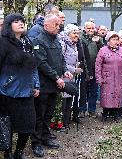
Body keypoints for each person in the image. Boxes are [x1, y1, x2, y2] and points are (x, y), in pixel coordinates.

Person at [0, 13, 40, 159]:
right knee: (8, 125)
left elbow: (33, 66)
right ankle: (8, 152)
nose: (21, 23)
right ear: (9, 25)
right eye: (16, 21)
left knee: (28, 125)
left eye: (22, 21)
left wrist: (36, 84)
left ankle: (19, 151)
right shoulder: (1, 43)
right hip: (8, 92)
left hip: (27, 91)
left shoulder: (27, 42)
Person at [31, 14, 73, 157]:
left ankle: (46, 136)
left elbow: (61, 59)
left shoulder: (55, 40)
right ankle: (36, 142)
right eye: (55, 24)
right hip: (43, 85)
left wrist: (65, 70)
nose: (58, 26)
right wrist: (56, 77)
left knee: (49, 113)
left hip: (55, 85)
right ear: (46, 25)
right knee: (40, 114)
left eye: (58, 24)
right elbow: (41, 63)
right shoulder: (38, 40)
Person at [95, 31, 122, 121]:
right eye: (113, 39)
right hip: (107, 78)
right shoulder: (103, 50)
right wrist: (99, 78)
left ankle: (116, 114)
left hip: (120, 78)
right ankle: (105, 113)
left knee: (118, 95)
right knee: (106, 96)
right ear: (108, 41)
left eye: (117, 39)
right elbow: (98, 65)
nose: (115, 41)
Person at [59, 24, 83, 129]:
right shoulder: (63, 43)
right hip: (64, 74)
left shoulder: (73, 44)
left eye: (78, 33)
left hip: (71, 75)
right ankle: (61, 123)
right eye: (74, 33)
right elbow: (61, 61)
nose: (76, 35)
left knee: (70, 97)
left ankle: (66, 121)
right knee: (64, 98)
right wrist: (74, 69)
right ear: (68, 34)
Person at [79, 21, 103, 117]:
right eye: (88, 28)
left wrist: (98, 43)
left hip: (95, 67)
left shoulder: (98, 39)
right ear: (85, 29)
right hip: (84, 67)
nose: (91, 30)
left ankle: (92, 109)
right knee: (83, 89)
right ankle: (82, 109)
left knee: (94, 90)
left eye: (92, 28)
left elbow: (103, 51)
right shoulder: (81, 39)